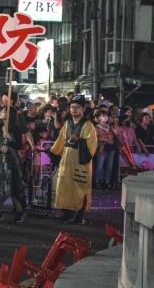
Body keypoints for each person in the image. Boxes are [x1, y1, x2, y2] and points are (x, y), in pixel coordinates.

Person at [50, 95, 98, 225]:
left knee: (79, 186)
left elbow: (92, 145)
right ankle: (66, 214)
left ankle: (78, 216)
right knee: (64, 185)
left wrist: (80, 140)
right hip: (66, 158)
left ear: (83, 109)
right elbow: (61, 139)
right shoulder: (67, 123)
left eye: (77, 107)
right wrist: (54, 152)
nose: (73, 110)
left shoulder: (88, 126)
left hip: (80, 159)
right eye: (72, 107)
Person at [0, 94, 30, 223]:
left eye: (4, 110)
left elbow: (19, 144)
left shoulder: (15, 128)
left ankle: (20, 211)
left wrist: (10, 140)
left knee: (14, 185)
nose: (1, 112)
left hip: (11, 160)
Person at [94, 110, 119, 189]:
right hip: (102, 148)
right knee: (100, 166)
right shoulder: (97, 127)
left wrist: (115, 123)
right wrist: (106, 140)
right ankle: (98, 181)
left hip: (111, 148)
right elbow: (95, 138)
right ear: (98, 118)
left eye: (106, 116)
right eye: (103, 116)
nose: (105, 117)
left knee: (109, 166)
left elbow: (116, 134)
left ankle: (107, 181)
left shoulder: (110, 126)